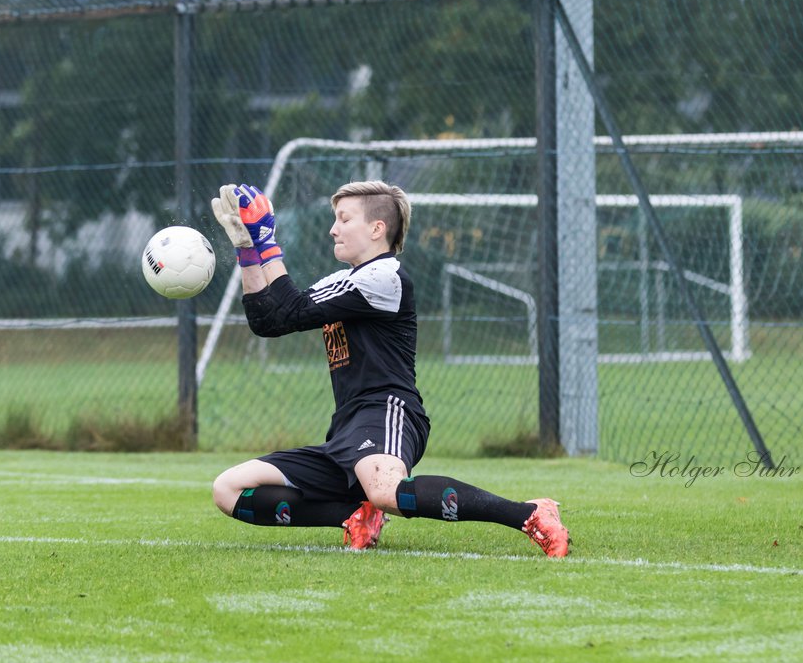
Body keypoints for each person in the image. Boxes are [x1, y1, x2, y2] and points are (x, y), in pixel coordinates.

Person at [208, 180, 570, 557]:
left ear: (377, 229)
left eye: (344, 219)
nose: (334, 228)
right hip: (348, 428)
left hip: (387, 410)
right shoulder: (343, 280)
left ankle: (530, 514)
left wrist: (267, 242)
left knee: (385, 491)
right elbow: (269, 321)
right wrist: (248, 250)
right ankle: (353, 517)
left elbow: (290, 310)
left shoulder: (385, 277)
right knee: (228, 489)